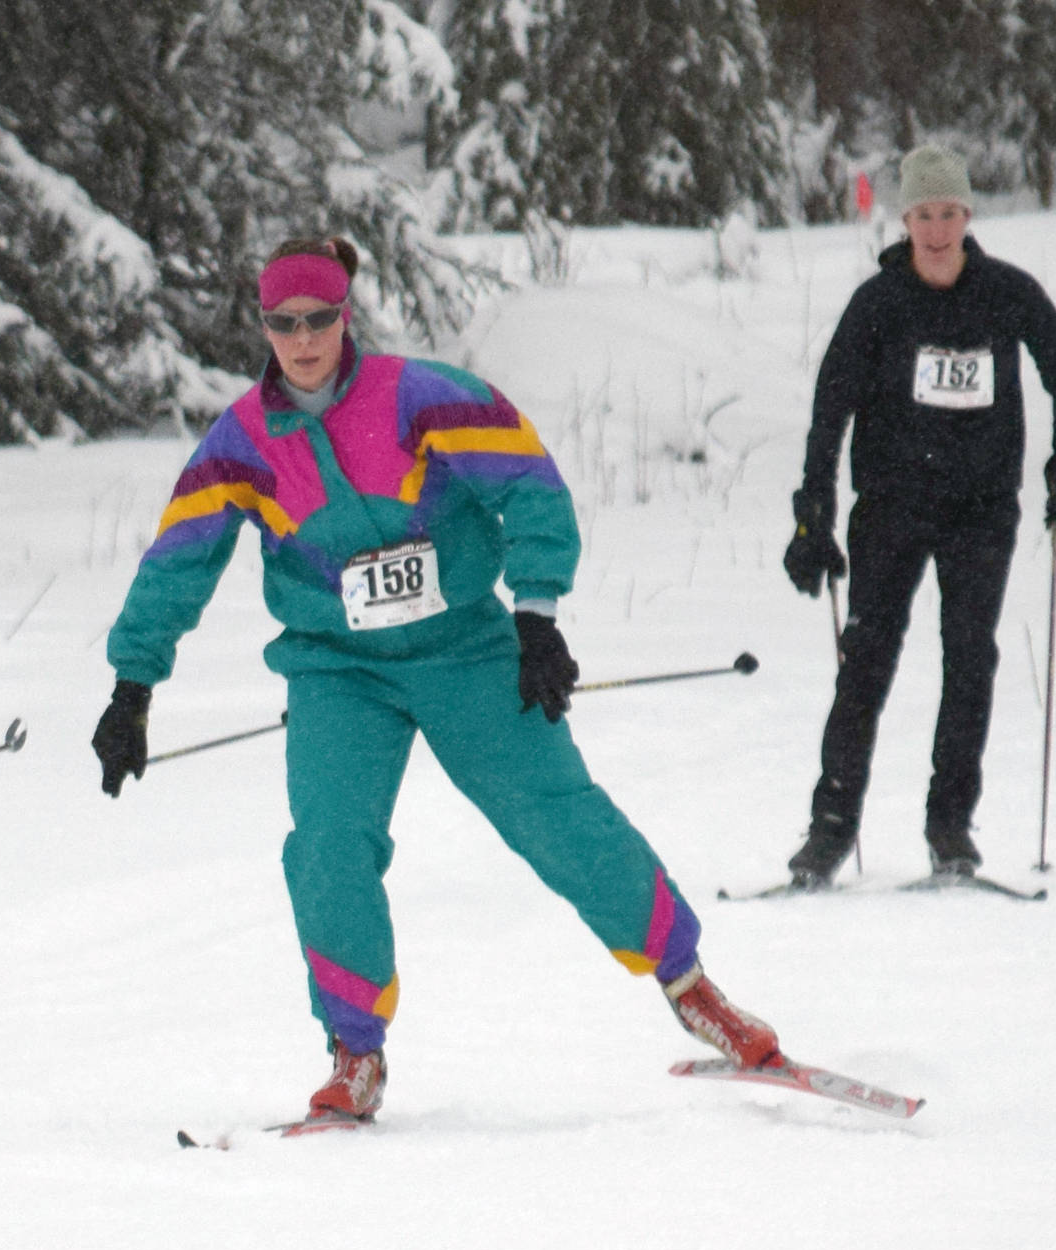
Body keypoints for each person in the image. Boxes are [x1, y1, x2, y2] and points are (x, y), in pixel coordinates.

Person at [90, 237, 781, 1124]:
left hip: (465, 650)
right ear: (262, 326)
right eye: (282, 323)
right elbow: (179, 560)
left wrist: (536, 618)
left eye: (319, 319)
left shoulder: (421, 396)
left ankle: (693, 991)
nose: (302, 339)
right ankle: (355, 1054)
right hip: (339, 671)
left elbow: (530, 485)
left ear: (347, 316)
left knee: (556, 813)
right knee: (329, 844)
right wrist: (131, 688)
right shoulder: (244, 441)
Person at [783, 144, 1056, 886]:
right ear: (905, 219)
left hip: (980, 513)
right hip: (892, 511)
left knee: (970, 660)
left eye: (950, 213)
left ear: (968, 215)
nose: (937, 229)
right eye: (924, 214)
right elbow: (828, 411)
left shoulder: (1006, 292)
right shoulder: (880, 303)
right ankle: (830, 830)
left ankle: (950, 827)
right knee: (866, 662)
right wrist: (814, 519)